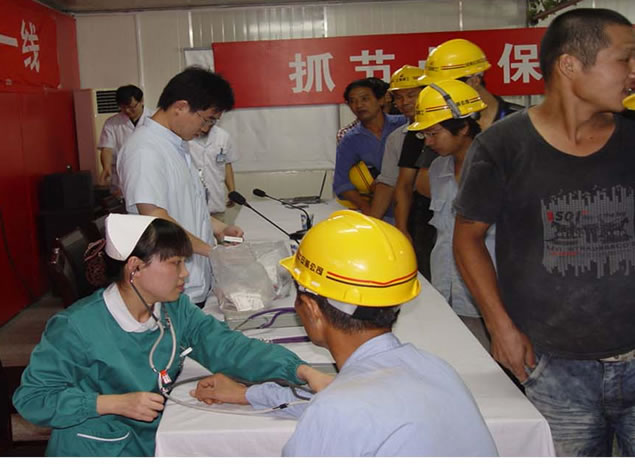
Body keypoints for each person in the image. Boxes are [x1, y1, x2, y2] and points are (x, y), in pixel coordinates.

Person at [453, 8, 635, 456]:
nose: (633, 72)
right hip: (554, 368)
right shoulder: (502, 146)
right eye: (625, 59)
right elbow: (468, 238)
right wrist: (499, 326)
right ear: (570, 65)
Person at [12, 214, 327, 456]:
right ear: (135, 268)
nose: (185, 273)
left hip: (150, 440)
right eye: (176, 263)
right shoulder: (77, 327)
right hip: (96, 450)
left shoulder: (173, 310)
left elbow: (229, 347)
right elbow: (32, 399)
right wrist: (111, 403)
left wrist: (300, 370)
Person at [191, 210, 498, 457]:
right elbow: (351, 409)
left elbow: (339, 412)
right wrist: (248, 394)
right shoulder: (436, 369)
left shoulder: (336, 412)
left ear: (311, 310)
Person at [393, 39, 522, 278]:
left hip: (503, 260)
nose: (437, 94)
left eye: (444, 86)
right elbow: (422, 184)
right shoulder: (432, 122)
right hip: (446, 251)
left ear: (473, 81)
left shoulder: (519, 126)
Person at [118, 67, 243, 307]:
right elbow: (155, 218)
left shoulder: (177, 145)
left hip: (190, 282)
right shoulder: (145, 150)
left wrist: (219, 228)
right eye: (207, 120)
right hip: (168, 289)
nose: (206, 129)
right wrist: (211, 251)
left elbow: (187, 207)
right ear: (181, 107)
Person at [407, 79, 494, 350]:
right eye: (425, 134)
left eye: (434, 133)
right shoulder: (437, 169)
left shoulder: (498, 168)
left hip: (490, 298)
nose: (428, 142)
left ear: (463, 127)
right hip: (447, 293)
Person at [333, 78, 407, 215]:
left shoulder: (403, 125)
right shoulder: (350, 140)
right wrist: (365, 207)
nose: (359, 105)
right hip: (383, 210)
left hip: (416, 206)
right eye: (352, 101)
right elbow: (341, 183)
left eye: (364, 99)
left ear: (381, 100)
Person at [369, 65, 424, 222]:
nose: (404, 102)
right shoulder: (396, 138)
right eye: (399, 97)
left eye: (411, 95)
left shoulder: (450, 130)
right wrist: (373, 225)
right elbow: (387, 183)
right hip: (415, 217)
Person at [97, 85, 152, 195]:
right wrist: (106, 167)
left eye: (131, 107)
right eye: (123, 107)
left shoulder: (155, 119)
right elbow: (107, 148)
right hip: (122, 181)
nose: (127, 110)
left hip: (150, 175)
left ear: (141, 101)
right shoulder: (112, 123)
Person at [189, 116, 239, 221]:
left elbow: (226, 164)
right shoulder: (186, 136)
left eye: (212, 122)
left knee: (219, 228)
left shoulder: (223, 136)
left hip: (216, 202)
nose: (206, 128)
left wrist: (232, 190)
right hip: (191, 206)